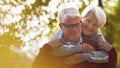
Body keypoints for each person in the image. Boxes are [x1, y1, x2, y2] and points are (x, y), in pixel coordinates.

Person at [51, 6, 117, 68]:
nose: (90, 26)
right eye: (88, 21)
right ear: (81, 17)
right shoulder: (68, 26)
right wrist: (80, 48)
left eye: (95, 25)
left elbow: (105, 56)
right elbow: (52, 50)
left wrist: (84, 56)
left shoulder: (97, 36)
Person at [32, 7, 99, 68]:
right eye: (69, 26)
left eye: (77, 24)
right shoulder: (52, 50)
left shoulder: (91, 45)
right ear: (61, 27)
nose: (74, 29)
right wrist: (46, 49)